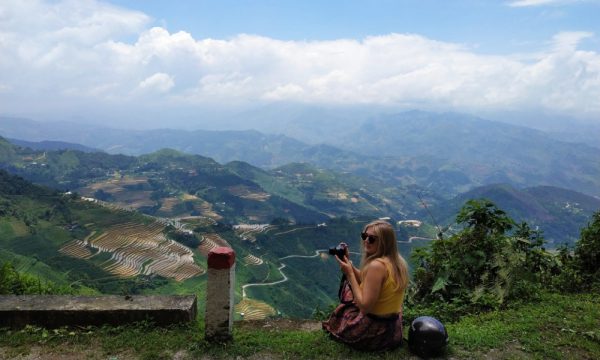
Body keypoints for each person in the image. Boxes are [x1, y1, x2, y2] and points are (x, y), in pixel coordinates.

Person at [322, 219, 409, 351]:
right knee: (355, 293)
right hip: (393, 329)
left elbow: (365, 307)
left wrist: (350, 274)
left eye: (372, 239)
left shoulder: (376, 266)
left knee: (347, 302)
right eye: (364, 236)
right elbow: (366, 279)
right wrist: (349, 264)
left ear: (384, 242)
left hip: (375, 332)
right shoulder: (396, 261)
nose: (366, 241)